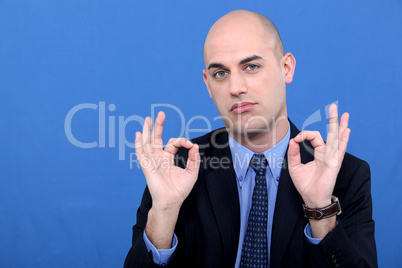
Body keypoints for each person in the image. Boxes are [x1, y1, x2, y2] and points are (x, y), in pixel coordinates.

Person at [124, 10, 377, 268]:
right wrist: (163, 214)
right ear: (208, 85)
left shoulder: (346, 176)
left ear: (286, 68)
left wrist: (320, 211)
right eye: (220, 73)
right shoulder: (175, 167)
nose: (236, 88)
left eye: (251, 67)